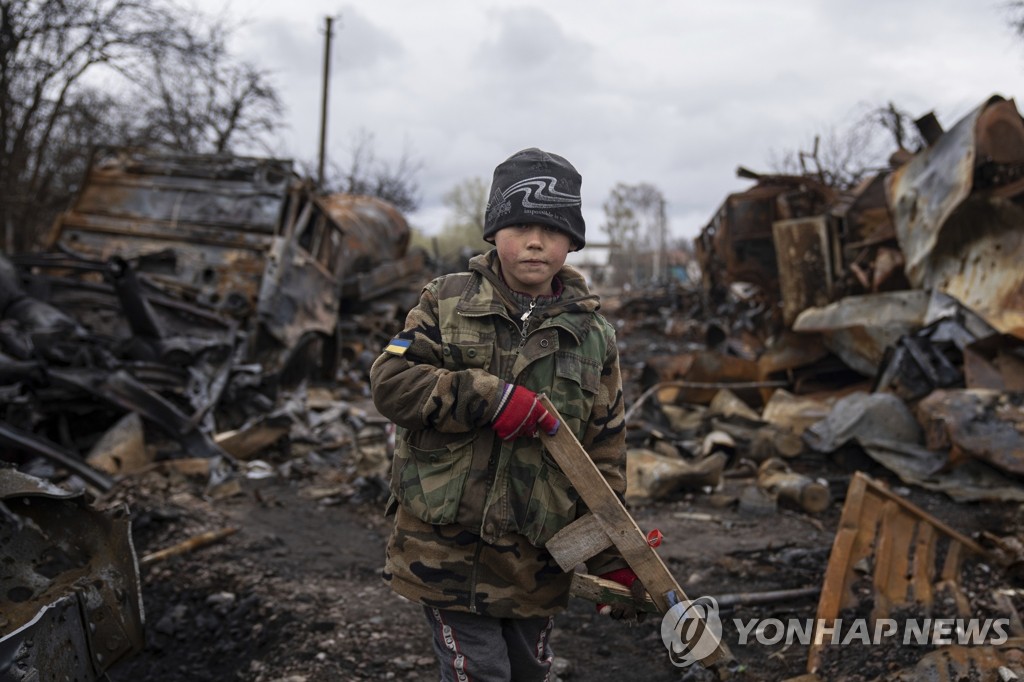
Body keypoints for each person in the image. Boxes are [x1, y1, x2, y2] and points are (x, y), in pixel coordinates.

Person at [370, 147, 636, 682]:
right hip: (443, 551)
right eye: (519, 225)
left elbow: (602, 454)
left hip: (532, 563)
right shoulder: (443, 302)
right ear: (494, 233)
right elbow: (390, 382)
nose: (535, 242)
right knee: (479, 673)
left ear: (572, 241)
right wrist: (487, 398)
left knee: (527, 672)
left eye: (552, 228)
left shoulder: (594, 338)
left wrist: (613, 559)